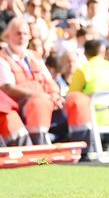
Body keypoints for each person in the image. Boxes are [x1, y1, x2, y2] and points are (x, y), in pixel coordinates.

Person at [0, 18, 90, 146]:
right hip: (25, 106)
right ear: (7, 36)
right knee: (39, 102)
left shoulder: (34, 56)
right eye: (18, 33)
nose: (22, 37)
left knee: (79, 99)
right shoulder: (2, 59)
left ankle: (83, 150)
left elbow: (49, 81)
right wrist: (39, 95)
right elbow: (7, 88)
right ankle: (41, 155)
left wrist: (55, 95)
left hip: (48, 101)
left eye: (25, 33)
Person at [67, 39, 109, 150]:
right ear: (102, 52)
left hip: (93, 118)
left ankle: (80, 150)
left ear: (85, 54)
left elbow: (72, 96)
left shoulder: (83, 70)